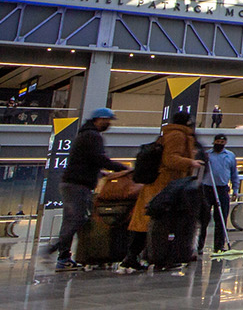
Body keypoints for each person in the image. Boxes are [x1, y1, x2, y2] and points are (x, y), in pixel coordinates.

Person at [45, 107, 129, 271]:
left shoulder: (84, 134)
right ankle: (54, 251)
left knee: (70, 220)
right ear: (100, 119)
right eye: (107, 120)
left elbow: (87, 160)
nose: (109, 124)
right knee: (78, 219)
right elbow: (99, 158)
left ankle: (63, 257)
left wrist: (99, 172)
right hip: (78, 185)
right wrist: (123, 168)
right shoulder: (92, 136)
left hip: (70, 183)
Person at [123, 108, 200, 271]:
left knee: (146, 222)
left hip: (160, 184)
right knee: (156, 222)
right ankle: (156, 257)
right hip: (164, 186)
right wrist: (190, 162)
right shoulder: (177, 135)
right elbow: (171, 159)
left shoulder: (170, 134)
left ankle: (135, 256)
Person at [198, 134, 238, 253]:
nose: (219, 144)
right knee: (203, 218)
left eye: (222, 142)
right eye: (218, 141)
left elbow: (234, 173)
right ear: (214, 141)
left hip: (222, 189)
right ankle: (199, 246)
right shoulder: (207, 155)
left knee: (221, 218)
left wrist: (235, 189)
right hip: (207, 188)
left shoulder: (230, 156)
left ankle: (219, 246)